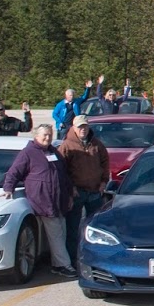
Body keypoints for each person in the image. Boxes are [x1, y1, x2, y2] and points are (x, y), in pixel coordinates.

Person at [0, 124, 75, 276]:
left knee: (61, 232)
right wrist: (8, 189)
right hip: (43, 201)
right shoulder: (28, 153)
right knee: (56, 234)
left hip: (59, 201)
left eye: (50, 134)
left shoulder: (54, 152)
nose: (48, 137)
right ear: (36, 136)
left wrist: (70, 194)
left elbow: (64, 175)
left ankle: (57, 263)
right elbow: (14, 172)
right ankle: (63, 265)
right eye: (44, 135)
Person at [58, 113, 111, 268]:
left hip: (95, 192)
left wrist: (103, 182)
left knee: (96, 228)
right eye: (80, 127)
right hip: (77, 193)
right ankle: (74, 261)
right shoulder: (66, 146)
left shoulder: (97, 144)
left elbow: (105, 163)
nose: (83, 129)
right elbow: (61, 170)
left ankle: (96, 259)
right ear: (74, 128)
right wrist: (71, 187)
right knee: (73, 228)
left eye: (85, 126)